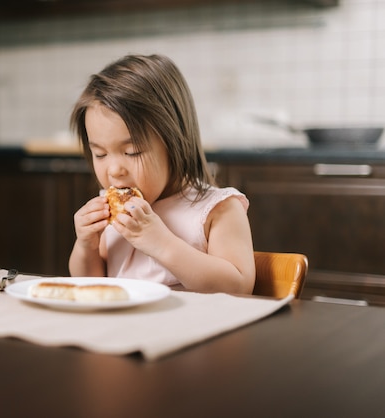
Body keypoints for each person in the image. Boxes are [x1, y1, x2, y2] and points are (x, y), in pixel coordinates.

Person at [68, 54, 255, 294]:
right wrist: (87, 246)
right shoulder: (113, 217)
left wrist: (161, 244)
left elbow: (238, 288)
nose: (114, 170)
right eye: (101, 154)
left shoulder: (218, 209)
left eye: (132, 152)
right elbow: (91, 284)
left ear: (174, 142)